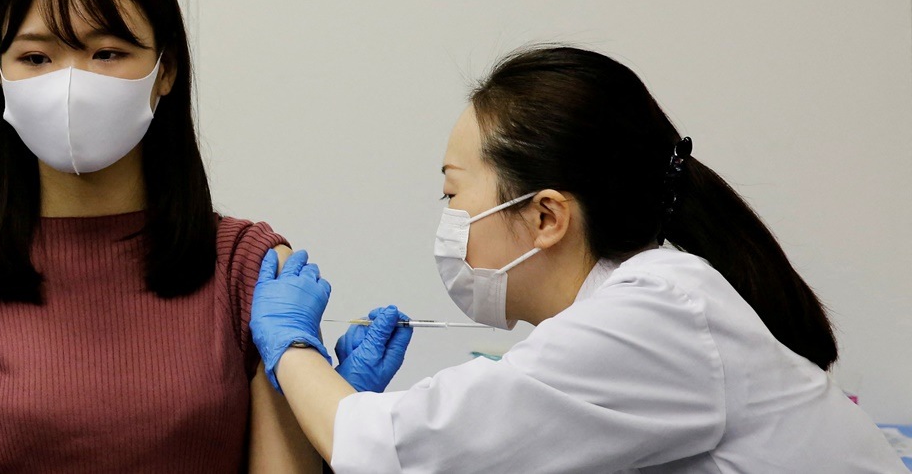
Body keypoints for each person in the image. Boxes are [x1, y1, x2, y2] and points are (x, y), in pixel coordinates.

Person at [250, 46, 906, 473]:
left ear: (546, 217)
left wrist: (292, 346)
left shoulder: (654, 310)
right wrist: (345, 403)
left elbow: (391, 449)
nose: (447, 221)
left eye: (453, 193)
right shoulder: (640, 310)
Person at [0, 0, 320, 473]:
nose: (70, 84)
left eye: (107, 53)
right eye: (36, 57)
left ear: (166, 69)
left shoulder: (251, 272)